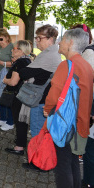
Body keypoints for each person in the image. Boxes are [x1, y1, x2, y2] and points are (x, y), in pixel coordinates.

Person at [43, 28, 93, 188]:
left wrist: (48, 109)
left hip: (65, 124)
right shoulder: (86, 66)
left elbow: (54, 94)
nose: (59, 42)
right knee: (72, 163)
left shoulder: (67, 65)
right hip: (80, 123)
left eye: (63, 39)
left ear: (71, 43)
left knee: (62, 167)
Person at [19, 24, 62, 170]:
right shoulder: (50, 53)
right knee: (40, 131)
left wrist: (27, 67)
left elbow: (24, 73)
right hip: (44, 97)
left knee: (38, 131)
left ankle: (38, 163)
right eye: (36, 37)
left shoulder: (49, 54)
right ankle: (40, 160)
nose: (37, 41)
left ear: (50, 39)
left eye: (40, 38)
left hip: (41, 99)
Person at [71, 24, 94, 188]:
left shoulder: (89, 52)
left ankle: (88, 181)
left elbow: (85, 82)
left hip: (89, 104)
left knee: (91, 148)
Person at [2, 40, 32, 156]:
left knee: (19, 121)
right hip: (24, 95)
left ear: (21, 51)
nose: (12, 50)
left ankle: (19, 147)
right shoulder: (27, 60)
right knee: (22, 121)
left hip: (17, 96)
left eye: (14, 49)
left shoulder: (20, 63)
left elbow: (13, 82)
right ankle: (20, 143)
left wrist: (5, 80)